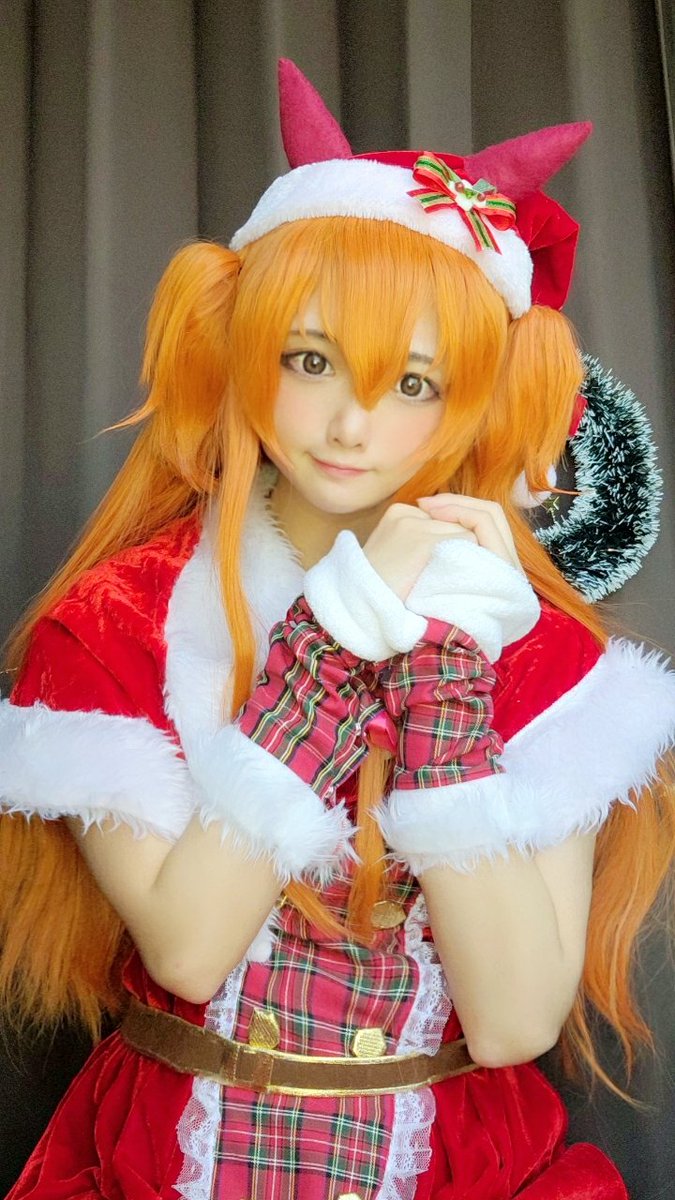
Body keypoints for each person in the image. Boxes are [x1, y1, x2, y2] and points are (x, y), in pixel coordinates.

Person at [1, 59, 673, 1200]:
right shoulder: (121, 622)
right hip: (176, 1162)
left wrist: (445, 666)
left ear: (477, 393)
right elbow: (188, 950)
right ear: (246, 346)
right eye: (311, 361)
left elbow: (514, 1021)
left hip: (454, 1167)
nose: (353, 424)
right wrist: (329, 638)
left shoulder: (530, 648)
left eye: (415, 383)